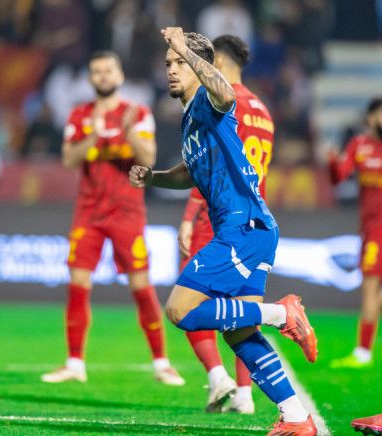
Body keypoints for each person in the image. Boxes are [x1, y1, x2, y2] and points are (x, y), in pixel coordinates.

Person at [129, 27, 317, 435]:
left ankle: (283, 313)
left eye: (178, 62)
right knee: (238, 332)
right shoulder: (190, 119)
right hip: (254, 228)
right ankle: (298, 418)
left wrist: (185, 48)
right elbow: (189, 172)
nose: (172, 70)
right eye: (168, 64)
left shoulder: (209, 101)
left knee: (179, 311)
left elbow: (228, 95)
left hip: (242, 228)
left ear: (202, 65)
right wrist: (155, 178)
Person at [41, 50, 185, 386]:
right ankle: (74, 363)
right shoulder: (79, 115)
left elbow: (149, 157)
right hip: (89, 212)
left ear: (119, 76)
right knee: (78, 286)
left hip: (126, 212)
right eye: (97, 72)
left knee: (141, 286)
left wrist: (127, 132)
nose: (103, 76)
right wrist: (93, 135)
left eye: (108, 70)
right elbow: (68, 159)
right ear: (91, 79)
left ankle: (161, 362)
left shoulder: (136, 113)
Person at [177, 34, 274, 414]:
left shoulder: (220, 100)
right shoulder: (263, 110)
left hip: (219, 216)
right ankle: (246, 395)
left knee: (188, 298)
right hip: (256, 218)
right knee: (241, 305)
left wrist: (189, 215)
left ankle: (218, 378)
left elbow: (215, 163)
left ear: (214, 59)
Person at [328, 97, 382, 369]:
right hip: (371, 229)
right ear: (370, 118)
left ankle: (363, 351)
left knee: (371, 290)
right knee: (372, 290)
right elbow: (339, 177)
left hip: (378, 233)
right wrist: (332, 162)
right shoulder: (360, 146)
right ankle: (364, 350)